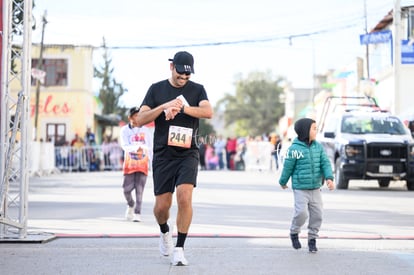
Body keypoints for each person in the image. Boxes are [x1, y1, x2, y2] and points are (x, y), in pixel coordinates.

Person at [137, 51, 213, 266]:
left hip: (188, 152)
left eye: (187, 77)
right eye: (180, 75)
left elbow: (208, 112)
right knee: (162, 206)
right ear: (172, 67)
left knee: (184, 196)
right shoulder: (156, 89)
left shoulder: (197, 89)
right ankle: (164, 232)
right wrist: (164, 107)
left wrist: (183, 107)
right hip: (163, 154)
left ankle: (179, 248)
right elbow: (141, 119)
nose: (183, 80)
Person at [278, 118, 335, 253]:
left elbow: (325, 163)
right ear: (305, 131)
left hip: (315, 187)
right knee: (301, 213)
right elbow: (288, 166)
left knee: (317, 215)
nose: (316, 131)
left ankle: (312, 239)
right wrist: (283, 181)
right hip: (300, 189)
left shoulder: (318, 147)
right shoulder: (294, 149)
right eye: (314, 128)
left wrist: (329, 178)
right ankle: (294, 232)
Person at [119, 107, 153, 222]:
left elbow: (150, 147)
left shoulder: (145, 130)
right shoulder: (124, 130)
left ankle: (138, 213)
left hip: (142, 164)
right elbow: (124, 145)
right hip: (130, 164)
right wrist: (137, 147)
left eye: (139, 116)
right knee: (126, 189)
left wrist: (152, 163)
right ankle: (131, 204)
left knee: (140, 190)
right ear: (130, 117)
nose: (138, 118)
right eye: (135, 116)